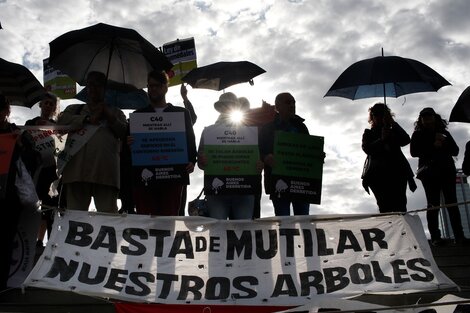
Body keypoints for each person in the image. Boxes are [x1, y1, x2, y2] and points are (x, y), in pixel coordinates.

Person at [57, 71, 127, 213]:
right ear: (86, 87)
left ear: (104, 89)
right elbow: (61, 123)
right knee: (75, 219)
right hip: (76, 172)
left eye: (98, 85)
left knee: (109, 220)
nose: (94, 88)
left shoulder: (116, 112)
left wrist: (109, 115)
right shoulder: (74, 109)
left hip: (106, 173)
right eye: (91, 84)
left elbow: (124, 133)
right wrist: (87, 119)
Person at [130, 70, 197, 216]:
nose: (152, 89)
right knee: (146, 223)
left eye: (156, 85)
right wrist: (128, 141)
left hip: (173, 177)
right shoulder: (137, 116)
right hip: (144, 180)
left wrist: (192, 160)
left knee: (169, 221)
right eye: (149, 86)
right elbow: (129, 149)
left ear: (166, 87)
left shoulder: (181, 114)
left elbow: (190, 140)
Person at [197, 92, 262, 220]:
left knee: (243, 231)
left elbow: (258, 160)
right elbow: (200, 161)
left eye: (231, 106)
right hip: (217, 193)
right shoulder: (209, 132)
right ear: (220, 109)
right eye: (224, 106)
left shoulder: (250, 133)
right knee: (217, 230)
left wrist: (260, 165)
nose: (227, 108)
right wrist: (202, 161)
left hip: (244, 191)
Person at [410, 107, 469, 246]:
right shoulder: (417, 135)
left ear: (434, 117)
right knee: (433, 204)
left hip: (447, 171)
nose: (427, 119)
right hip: (429, 174)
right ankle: (436, 237)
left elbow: (455, 150)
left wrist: (444, 142)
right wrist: (433, 145)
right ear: (421, 120)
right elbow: (414, 152)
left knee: (452, 203)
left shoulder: (444, 133)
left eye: (429, 116)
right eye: (424, 117)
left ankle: (459, 235)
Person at [0, 95, 38, 290]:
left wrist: (23, 146)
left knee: (6, 240)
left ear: (7, 110)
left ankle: (2, 285)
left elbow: (34, 160)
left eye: (1, 108)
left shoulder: (17, 133)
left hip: (9, 198)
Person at [259, 92, 310, 216]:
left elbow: (308, 150)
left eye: (294, 102)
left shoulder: (302, 127)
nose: (292, 105)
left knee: (304, 222)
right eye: (288, 102)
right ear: (277, 106)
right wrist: (266, 157)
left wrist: (317, 156)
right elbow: (259, 151)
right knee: (284, 223)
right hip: (277, 182)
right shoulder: (267, 129)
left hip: (301, 183)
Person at [361, 102, 416, 213]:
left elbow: (406, 140)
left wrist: (393, 124)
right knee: (384, 207)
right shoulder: (368, 133)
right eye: (376, 115)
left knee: (400, 206)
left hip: (397, 172)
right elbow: (367, 148)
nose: (379, 117)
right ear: (372, 117)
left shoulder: (393, 130)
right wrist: (381, 139)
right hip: (378, 175)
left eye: (382, 114)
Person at [25, 92, 60, 250]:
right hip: (36, 172)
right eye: (45, 103)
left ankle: (50, 241)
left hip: (53, 173)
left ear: (54, 108)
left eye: (51, 104)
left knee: (51, 208)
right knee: (36, 208)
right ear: (40, 105)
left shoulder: (57, 126)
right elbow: (24, 145)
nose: (48, 106)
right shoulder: (30, 122)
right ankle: (36, 241)